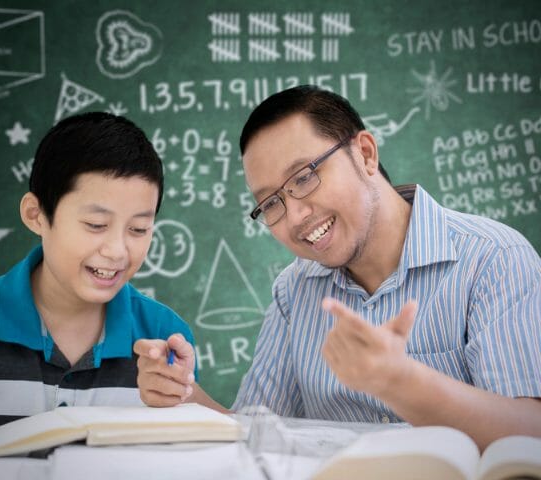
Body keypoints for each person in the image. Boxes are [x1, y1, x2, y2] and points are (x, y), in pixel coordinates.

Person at [135, 85, 541, 450]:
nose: (294, 217)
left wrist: (404, 382)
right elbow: (253, 434)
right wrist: (186, 394)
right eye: (271, 203)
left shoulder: (493, 258)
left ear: (365, 153)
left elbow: (531, 435)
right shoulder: (294, 290)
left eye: (305, 177)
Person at [0, 112, 198, 445]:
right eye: (96, 225)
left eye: (138, 229)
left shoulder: (164, 340)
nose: (117, 250)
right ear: (36, 215)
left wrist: (179, 398)